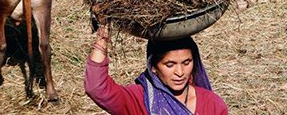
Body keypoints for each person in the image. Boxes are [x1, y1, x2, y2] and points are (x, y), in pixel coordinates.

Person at [85, 25, 228, 114]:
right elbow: (96, 88)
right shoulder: (139, 99)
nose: (180, 72)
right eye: (170, 65)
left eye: (186, 62)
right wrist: (103, 32)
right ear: (153, 67)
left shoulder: (212, 105)